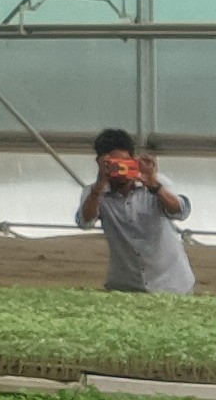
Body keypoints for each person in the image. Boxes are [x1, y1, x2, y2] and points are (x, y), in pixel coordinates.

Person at [76, 125, 195, 296]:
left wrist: (155, 186)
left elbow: (181, 212)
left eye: (124, 163)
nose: (120, 171)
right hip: (126, 286)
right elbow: (85, 222)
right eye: (114, 164)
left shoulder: (155, 184)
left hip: (172, 284)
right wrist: (100, 184)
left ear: (133, 160)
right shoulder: (95, 193)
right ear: (100, 163)